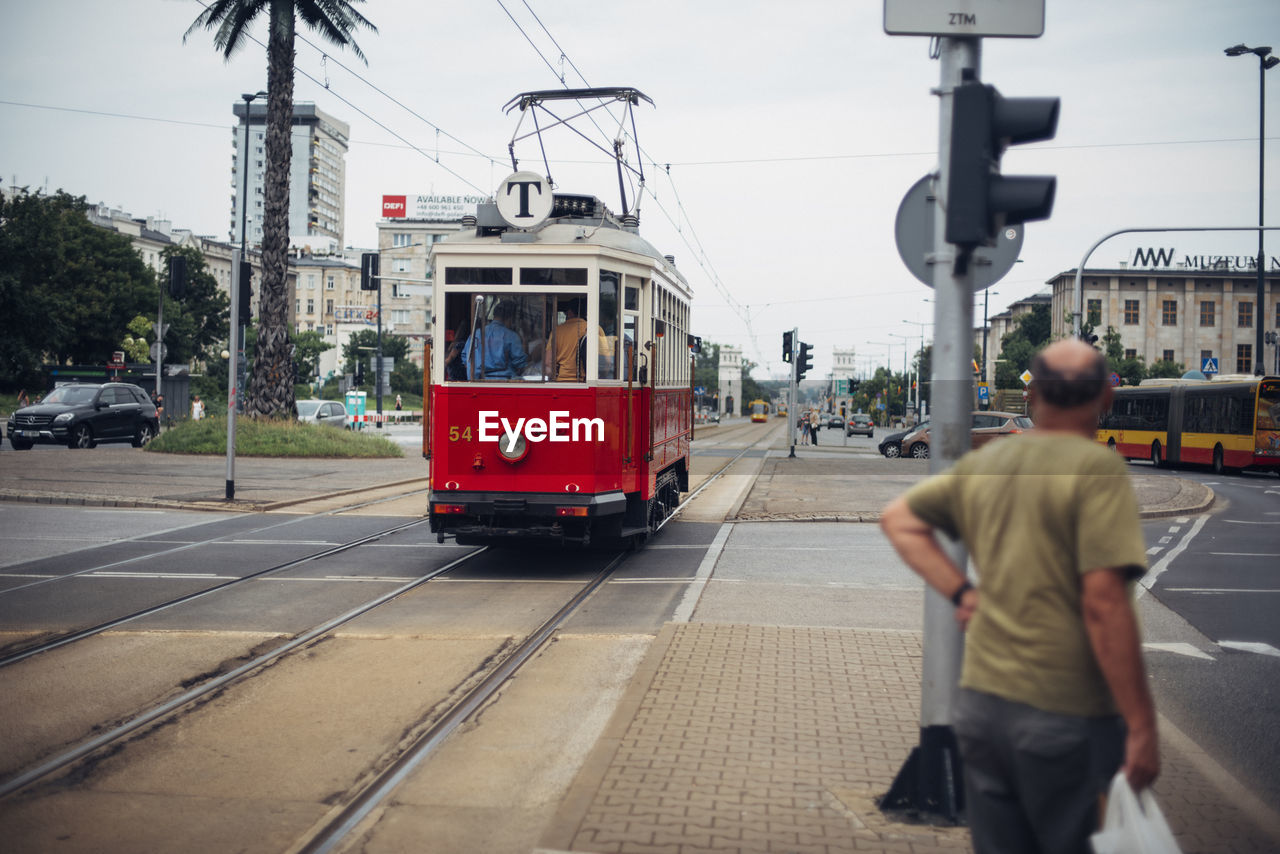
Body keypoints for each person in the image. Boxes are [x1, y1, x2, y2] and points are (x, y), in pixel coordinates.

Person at [879, 339, 1157, 854]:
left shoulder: (993, 461)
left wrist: (962, 591)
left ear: (1033, 398)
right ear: (1105, 399)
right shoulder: (1096, 469)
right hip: (1065, 713)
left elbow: (899, 519)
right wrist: (1140, 724)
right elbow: (1103, 603)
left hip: (983, 710)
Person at [461, 301, 528, 380]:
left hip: (478, 383)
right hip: (505, 385)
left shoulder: (475, 334)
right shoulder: (512, 336)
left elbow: (466, 360)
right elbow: (520, 365)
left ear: (494, 315)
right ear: (510, 318)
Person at [545, 298, 588, 381]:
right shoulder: (595, 329)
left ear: (570, 312)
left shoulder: (557, 331)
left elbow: (548, 362)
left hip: (562, 382)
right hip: (586, 382)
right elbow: (606, 362)